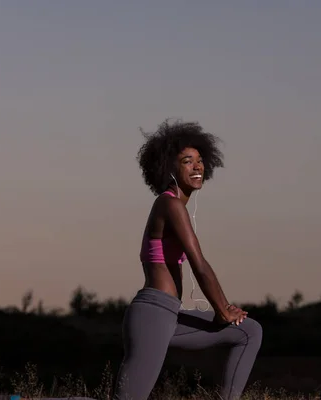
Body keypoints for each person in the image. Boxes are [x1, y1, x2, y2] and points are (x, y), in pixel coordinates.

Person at [113, 120, 263, 400]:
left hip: (171, 315)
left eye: (200, 161)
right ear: (168, 168)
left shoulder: (175, 205)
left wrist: (225, 310)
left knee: (249, 332)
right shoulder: (169, 204)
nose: (197, 167)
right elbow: (198, 262)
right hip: (153, 315)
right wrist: (222, 310)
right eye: (187, 161)